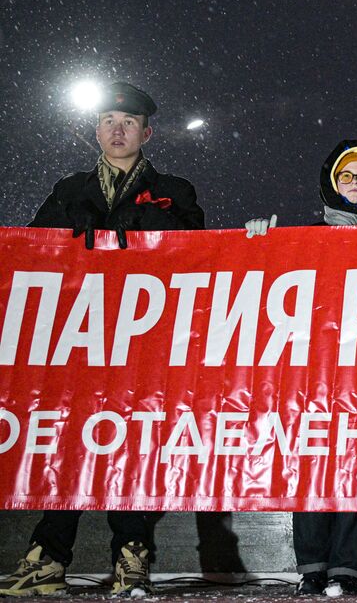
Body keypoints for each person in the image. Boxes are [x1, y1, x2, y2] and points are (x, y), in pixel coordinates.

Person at [0, 82, 203, 598]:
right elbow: (33, 253)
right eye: (109, 120)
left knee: (132, 444)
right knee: (70, 440)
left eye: (129, 122)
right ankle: (48, 555)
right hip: (78, 341)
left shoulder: (175, 190)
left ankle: (131, 554)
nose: (118, 129)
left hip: (143, 344)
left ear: (146, 133)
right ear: (96, 130)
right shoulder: (70, 189)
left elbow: (199, 255)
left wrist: (145, 227)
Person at [244, 140, 357, 596]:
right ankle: (312, 567)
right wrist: (258, 240)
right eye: (347, 177)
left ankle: (348, 569)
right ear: (332, 182)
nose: (355, 185)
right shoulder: (304, 235)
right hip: (312, 370)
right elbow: (261, 280)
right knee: (312, 462)